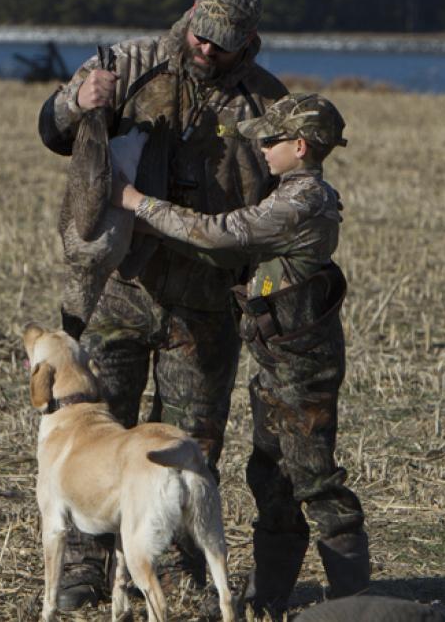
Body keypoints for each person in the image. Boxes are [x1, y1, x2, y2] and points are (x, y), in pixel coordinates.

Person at [37, 0, 288, 610]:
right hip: (120, 289)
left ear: (249, 42)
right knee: (97, 431)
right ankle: (85, 571)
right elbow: (52, 129)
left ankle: (184, 568)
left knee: (191, 445)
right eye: (201, 34)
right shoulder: (128, 63)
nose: (206, 49)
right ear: (190, 16)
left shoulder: (266, 102)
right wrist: (77, 102)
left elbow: (289, 192)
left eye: (223, 44)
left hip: (206, 300)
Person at [114, 93, 369, 620]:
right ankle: (271, 598)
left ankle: (354, 602)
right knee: (270, 475)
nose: (261, 147)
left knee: (314, 478)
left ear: (299, 147)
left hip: (301, 367)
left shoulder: (300, 202)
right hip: (278, 359)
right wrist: (155, 225)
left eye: (271, 140)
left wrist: (139, 203)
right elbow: (223, 245)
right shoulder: (290, 195)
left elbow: (221, 233)